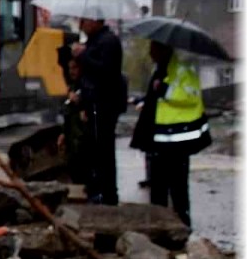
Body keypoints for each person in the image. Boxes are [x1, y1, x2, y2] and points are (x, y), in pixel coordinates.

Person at [129, 40, 211, 226]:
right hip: (159, 140)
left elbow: (189, 96)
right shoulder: (160, 70)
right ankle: (159, 225)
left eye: (153, 48)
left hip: (176, 142)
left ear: (163, 49)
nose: (150, 53)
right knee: (158, 187)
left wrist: (164, 90)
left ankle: (182, 225)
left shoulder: (182, 70)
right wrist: (143, 100)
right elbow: (156, 97)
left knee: (178, 187)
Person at [71, 17, 125, 205]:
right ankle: (96, 190)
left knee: (102, 152)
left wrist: (83, 55)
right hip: (93, 103)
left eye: (84, 21)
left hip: (104, 104)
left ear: (95, 21)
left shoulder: (108, 42)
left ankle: (106, 194)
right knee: (93, 151)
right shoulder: (95, 42)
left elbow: (106, 71)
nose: (81, 26)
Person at [58, 57, 95, 193]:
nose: (72, 71)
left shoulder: (87, 87)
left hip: (83, 138)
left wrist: (81, 102)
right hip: (72, 138)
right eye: (70, 68)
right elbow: (67, 113)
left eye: (75, 68)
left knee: (86, 171)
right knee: (74, 170)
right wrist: (63, 133)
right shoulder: (71, 88)